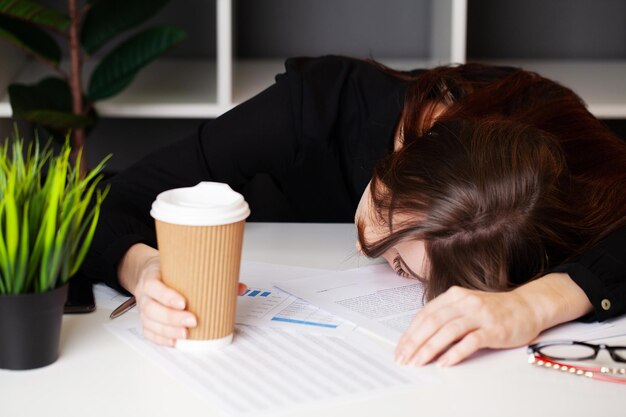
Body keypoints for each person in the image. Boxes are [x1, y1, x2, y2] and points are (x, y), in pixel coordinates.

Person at [80, 55, 626, 364]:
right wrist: (144, 268)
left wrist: (537, 303)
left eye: (402, 266)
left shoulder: (551, 197)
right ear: (407, 150)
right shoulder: (317, 109)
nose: (367, 239)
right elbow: (111, 198)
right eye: (386, 198)